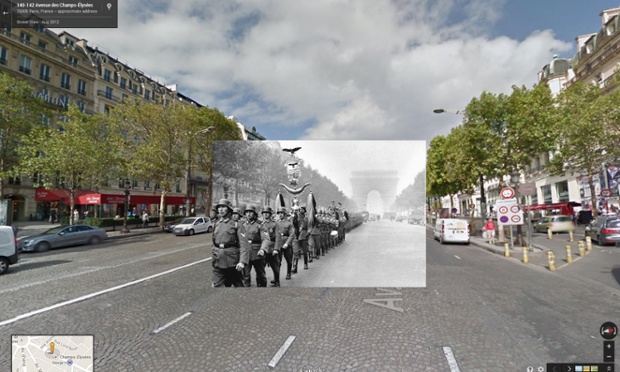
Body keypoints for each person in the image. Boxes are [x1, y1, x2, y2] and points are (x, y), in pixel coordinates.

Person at [212, 199, 248, 287]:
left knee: (238, 285)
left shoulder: (237, 225)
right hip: (218, 260)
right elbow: (213, 243)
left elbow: (244, 245)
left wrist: (242, 262)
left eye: (223, 207)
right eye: (219, 207)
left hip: (232, 261)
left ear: (229, 209)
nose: (221, 209)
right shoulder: (216, 224)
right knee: (216, 285)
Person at [242, 204, 268, 287]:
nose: (248, 214)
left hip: (257, 253)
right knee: (245, 275)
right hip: (246, 254)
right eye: (247, 212)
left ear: (254, 214)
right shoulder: (243, 225)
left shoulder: (260, 225)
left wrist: (263, 249)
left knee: (260, 275)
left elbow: (265, 238)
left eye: (251, 212)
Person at [274, 207, 295, 280]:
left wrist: (287, 243)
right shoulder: (275, 223)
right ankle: (276, 277)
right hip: (278, 243)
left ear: (285, 214)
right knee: (277, 261)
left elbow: (292, 235)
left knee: (288, 259)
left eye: (282, 213)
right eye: (279, 213)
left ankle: (288, 273)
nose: (280, 215)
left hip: (286, 243)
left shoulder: (289, 223)